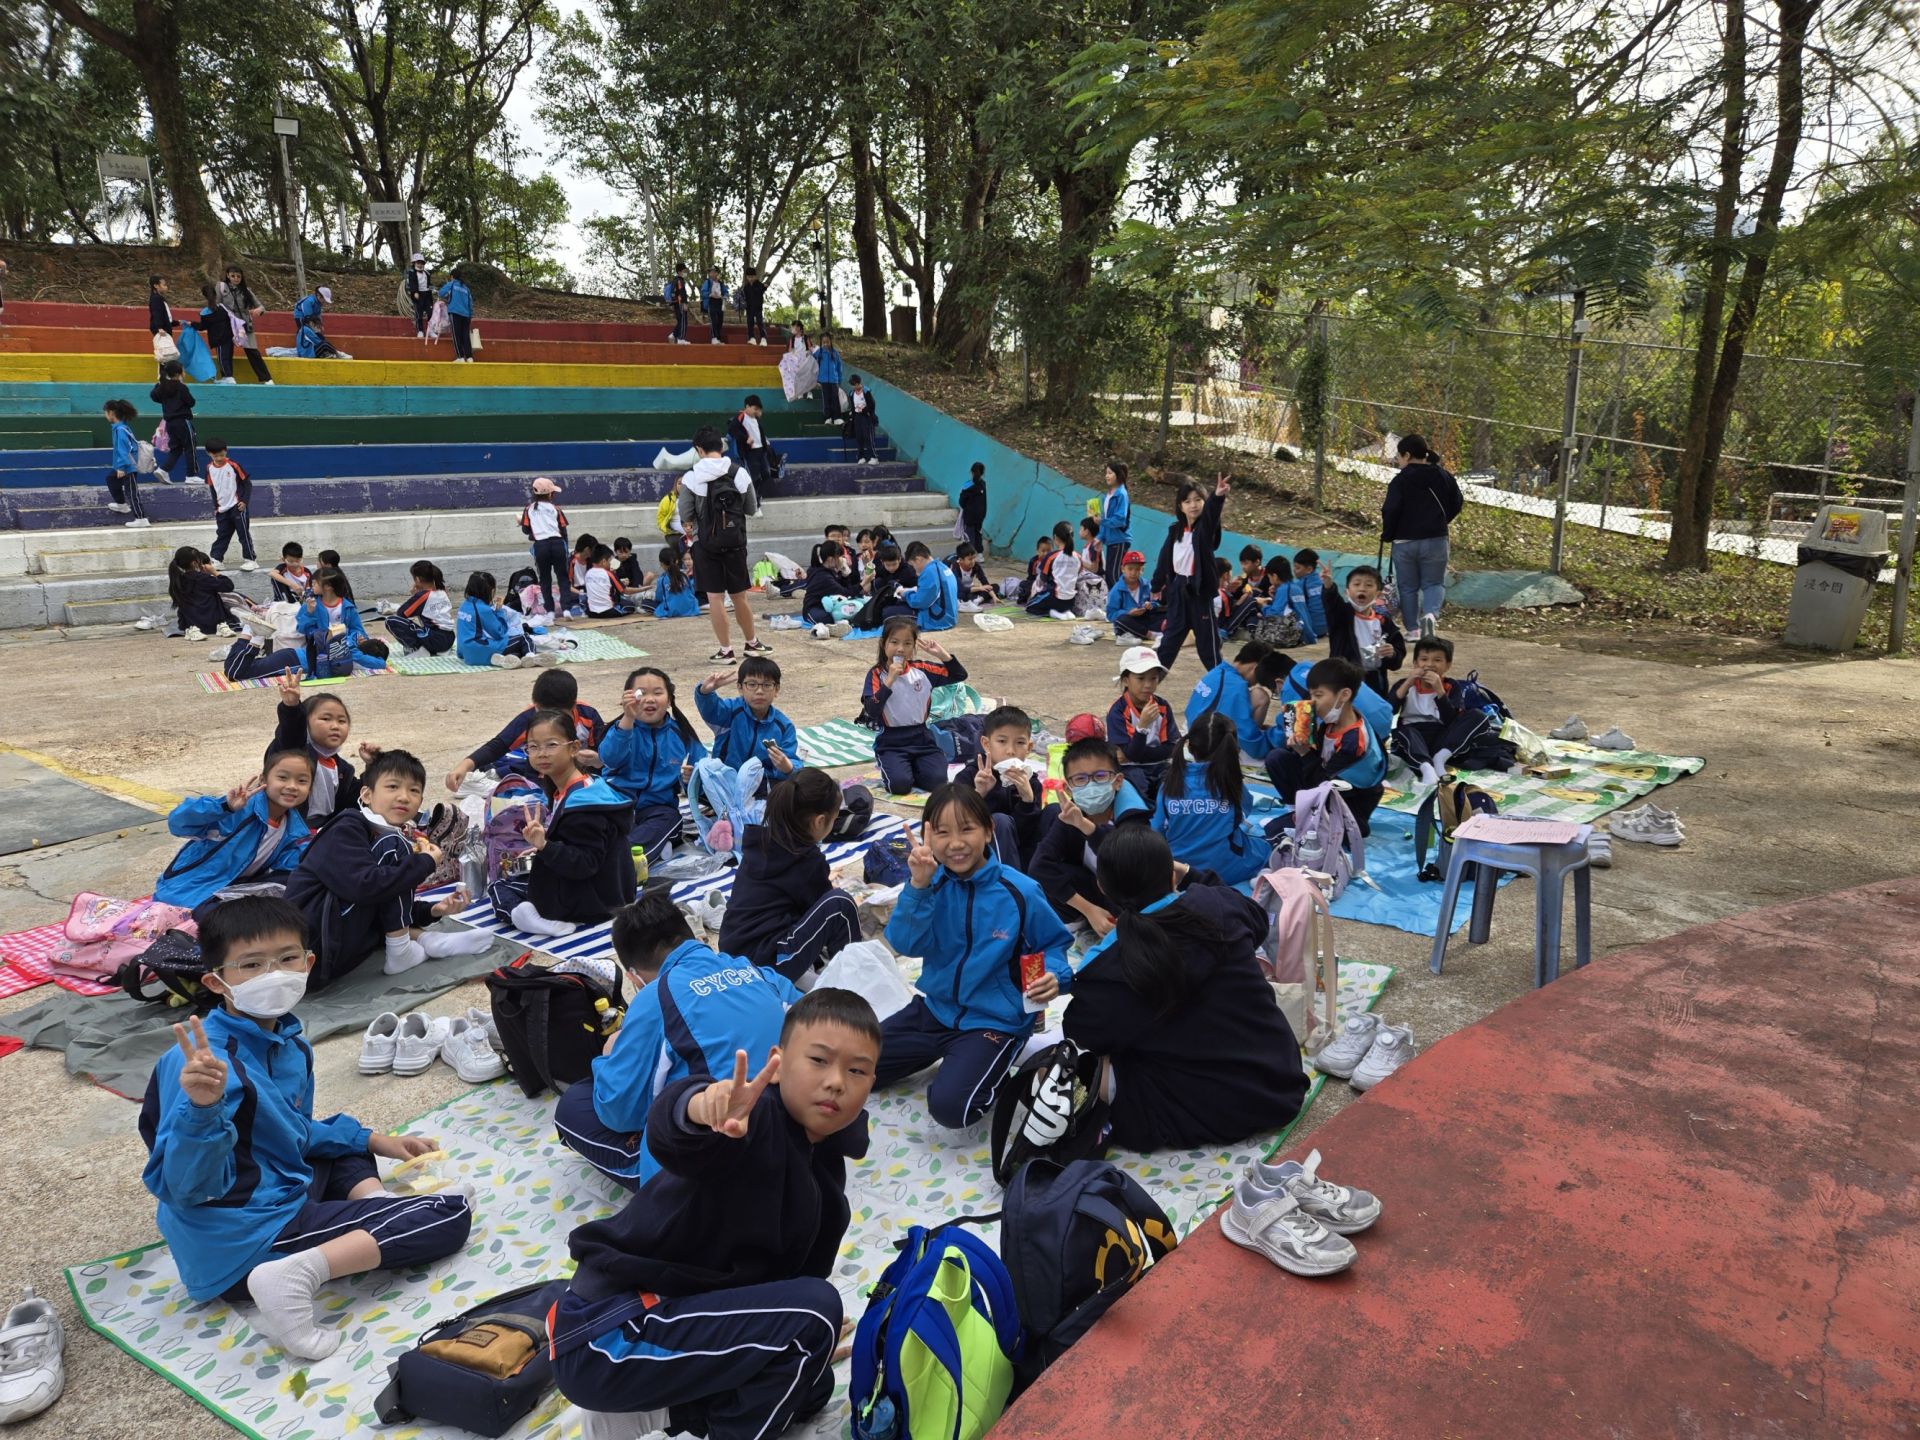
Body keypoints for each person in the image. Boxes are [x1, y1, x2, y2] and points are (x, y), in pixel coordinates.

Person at [139, 897, 471, 1361]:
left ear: (308, 963)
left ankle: (377, 1212)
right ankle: (296, 1274)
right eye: (251, 965)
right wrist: (201, 1109)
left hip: (273, 1193)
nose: (273, 974)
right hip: (241, 1244)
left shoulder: (288, 1043)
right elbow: (184, 1187)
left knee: (345, 1140)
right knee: (449, 1215)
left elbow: (293, 1131)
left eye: (287, 958)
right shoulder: (202, 1065)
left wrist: (380, 1142)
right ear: (216, 981)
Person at [548, 991, 880, 1440]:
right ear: (778, 1063)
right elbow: (674, 1133)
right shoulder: (750, 1122)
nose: (837, 1081)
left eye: (856, 1070)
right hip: (608, 1333)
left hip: (676, 1320)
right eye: (819, 1060)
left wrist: (794, 1331)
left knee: (810, 1383)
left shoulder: (825, 1173)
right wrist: (701, 1106)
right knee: (814, 1317)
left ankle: (648, 1415)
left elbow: (790, 1285)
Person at [1064, 826, 1308, 1150]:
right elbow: (1257, 920)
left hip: (1213, 1109)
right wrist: (1192, 874)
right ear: (1172, 875)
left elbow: (1083, 1033)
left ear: (1102, 887)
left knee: (1079, 1065)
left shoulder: (1107, 965)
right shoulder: (1217, 905)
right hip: (1280, 1082)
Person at [556, 892, 802, 1188]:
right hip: (791, 1127)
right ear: (690, 934)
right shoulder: (753, 970)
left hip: (715, 1163)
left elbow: (619, 1112)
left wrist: (608, 1056)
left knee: (575, 1104)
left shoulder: (656, 997)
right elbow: (812, 1016)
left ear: (634, 975)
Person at [879, 785, 1072, 1128]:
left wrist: (1055, 974)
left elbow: (1053, 944)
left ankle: (1010, 1051)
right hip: (935, 1011)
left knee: (953, 1108)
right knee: (855, 1065)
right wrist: (917, 887)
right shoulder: (930, 885)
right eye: (942, 832)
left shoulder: (1020, 891)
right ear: (928, 836)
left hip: (993, 1021)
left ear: (988, 830)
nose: (955, 843)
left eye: (967, 829)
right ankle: (959, 1058)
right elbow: (905, 944)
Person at [286, 750, 487, 987]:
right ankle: (401, 950)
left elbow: (380, 897)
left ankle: (428, 939)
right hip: (313, 953)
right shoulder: (346, 828)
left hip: (336, 944)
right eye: (392, 787)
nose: (404, 797)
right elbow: (366, 887)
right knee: (395, 846)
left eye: (414, 791)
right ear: (367, 795)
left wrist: (433, 910)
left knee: (396, 854)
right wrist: (425, 862)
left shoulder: (378, 833)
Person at [487, 709, 636, 938]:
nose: (542, 754)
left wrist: (544, 846)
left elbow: (585, 863)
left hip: (592, 904)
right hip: (614, 892)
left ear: (574, 748)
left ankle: (528, 917)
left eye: (551, 745)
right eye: (533, 747)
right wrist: (543, 846)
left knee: (499, 886)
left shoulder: (582, 806)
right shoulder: (587, 784)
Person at [719, 769, 862, 983]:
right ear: (819, 821)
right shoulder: (807, 860)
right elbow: (823, 908)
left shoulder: (760, 844)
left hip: (733, 956)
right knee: (842, 905)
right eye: (834, 819)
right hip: (767, 965)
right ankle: (856, 980)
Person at [152, 754, 314, 911]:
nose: (292, 786)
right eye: (283, 777)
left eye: (302, 781)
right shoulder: (238, 809)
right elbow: (178, 823)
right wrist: (224, 807)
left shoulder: (294, 830)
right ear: (263, 780)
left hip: (234, 889)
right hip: (194, 888)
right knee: (235, 922)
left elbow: (290, 866)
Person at [1027, 735, 1151, 931]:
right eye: (1080, 779)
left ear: (1117, 781)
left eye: (1100, 776)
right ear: (1068, 789)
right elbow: (1038, 866)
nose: (1091, 786)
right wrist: (1089, 910)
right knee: (1054, 873)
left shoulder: (1132, 815)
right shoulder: (1071, 812)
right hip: (1094, 888)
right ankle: (1083, 918)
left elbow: (1127, 861)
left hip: (1128, 890)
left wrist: (1086, 827)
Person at [678, 426, 770, 662]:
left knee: (715, 598)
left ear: (699, 449)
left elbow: (686, 514)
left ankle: (726, 650)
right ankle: (752, 643)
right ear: (721, 447)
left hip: (705, 545)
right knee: (740, 597)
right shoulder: (739, 472)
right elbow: (751, 508)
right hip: (735, 543)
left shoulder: (691, 477)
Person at [1264, 656, 1386, 834]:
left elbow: (1326, 784)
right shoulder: (1330, 724)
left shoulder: (1353, 742)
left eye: (1319, 695)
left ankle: (1333, 823)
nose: (1312, 702)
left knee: (1274, 830)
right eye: (1311, 695)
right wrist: (1302, 739)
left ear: (1344, 695)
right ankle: (1299, 812)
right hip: (1324, 787)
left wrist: (1305, 753)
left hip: (1348, 800)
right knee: (1277, 758)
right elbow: (1318, 765)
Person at [600, 666, 706, 865]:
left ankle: (621, 862)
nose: (650, 699)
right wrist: (628, 718)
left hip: (657, 810)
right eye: (641, 693)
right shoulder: (622, 729)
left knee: (671, 820)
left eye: (657, 693)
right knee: (588, 822)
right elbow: (609, 758)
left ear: (669, 699)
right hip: (615, 805)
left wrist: (691, 780)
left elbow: (704, 777)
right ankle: (638, 850)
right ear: (628, 698)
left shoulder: (682, 735)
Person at [445, 668, 606, 791]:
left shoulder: (588, 716)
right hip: (543, 778)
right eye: (544, 715)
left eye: (552, 744)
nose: (550, 722)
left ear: (573, 706)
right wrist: (464, 766)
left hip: (582, 773)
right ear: (535, 706)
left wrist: (598, 759)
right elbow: (499, 745)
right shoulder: (529, 719)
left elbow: (609, 753)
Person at [1152, 711, 1264, 885]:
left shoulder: (1169, 784)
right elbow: (1245, 810)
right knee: (1265, 847)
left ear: (1190, 747)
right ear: (1231, 747)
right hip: (1226, 871)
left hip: (1180, 872)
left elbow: (1157, 830)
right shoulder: (1231, 783)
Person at [859, 618, 967, 794]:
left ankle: (913, 766)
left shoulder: (922, 670)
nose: (900, 649)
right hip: (891, 742)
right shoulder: (876, 674)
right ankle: (898, 767)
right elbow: (871, 710)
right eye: (894, 642)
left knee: (938, 782)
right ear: (883, 644)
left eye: (907, 643)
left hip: (922, 738)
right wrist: (889, 681)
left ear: (914, 647)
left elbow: (959, 675)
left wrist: (942, 654)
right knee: (900, 786)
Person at [1386, 635, 1502, 787]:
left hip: (1441, 737)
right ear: (1415, 663)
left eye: (1437, 660)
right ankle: (1427, 769)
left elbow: (1451, 720)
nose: (1430, 665)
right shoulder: (1404, 685)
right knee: (1404, 731)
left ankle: (1439, 760)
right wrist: (1408, 683)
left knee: (1477, 716)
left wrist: (1440, 691)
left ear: (1448, 665)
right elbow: (1388, 711)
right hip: (1413, 737)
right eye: (1424, 659)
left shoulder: (1451, 686)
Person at [1381, 434, 1464, 634]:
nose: (1398, 461)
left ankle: (1413, 630)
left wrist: (1388, 534)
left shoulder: (1400, 480)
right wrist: (1441, 521)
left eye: (1399, 456)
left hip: (1404, 541)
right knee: (1433, 583)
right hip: (1436, 539)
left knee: (1408, 587)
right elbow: (1457, 501)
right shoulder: (1443, 476)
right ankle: (1430, 616)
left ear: (1407, 455)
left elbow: (1390, 509)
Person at [266, 673, 375, 820]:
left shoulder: (341, 769)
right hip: (289, 826)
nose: (335, 726)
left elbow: (360, 798)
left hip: (323, 828)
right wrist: (291, 707)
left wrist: (372, 765)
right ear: (305, 723)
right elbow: (291, 731)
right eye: (326, 718)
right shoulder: (293, 753)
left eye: (342, 721)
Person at [1153, 472, 1231, 672]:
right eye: (1187, 501)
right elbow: (1164, 559)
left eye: (1198, 500)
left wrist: (1217, 496)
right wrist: (1156, 585)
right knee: (1168, 644)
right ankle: (1150, 683)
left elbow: (1211, 516)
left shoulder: (1204, 531)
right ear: (1180, 506)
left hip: (1199, 592)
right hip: (1178, 590)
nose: (1193, 505)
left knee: (1208, 648)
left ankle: (1223, 683)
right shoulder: (1175, 531)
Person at [696, 656, 798, 787]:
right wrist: (705, 692)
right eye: (751, 685)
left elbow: (793, 761)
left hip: (763, 785)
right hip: (724, 782)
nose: (759, 691)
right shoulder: (730, 711)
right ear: (740, 688)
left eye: (767, 685)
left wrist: (787, 767)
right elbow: (710, 710)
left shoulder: (784, 726)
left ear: (776, 689)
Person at [1106, 645, 1182, 801]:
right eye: (1140, 678)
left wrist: (1138, 754)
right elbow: (1130, 756)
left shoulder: (1162, 706)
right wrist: (1142, 727)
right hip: (1130, 768)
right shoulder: (1117, 711)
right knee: (1136, 788)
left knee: (1177, 785)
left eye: (1153, 678)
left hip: (1160, 766)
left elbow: (1172, 748)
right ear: (1126, 680)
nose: (1148, 685)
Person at [1183, 639, 1280, 761]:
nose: (1258, 682)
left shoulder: (1217, 671)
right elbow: (1251, 742)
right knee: (1260, 696)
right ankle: (1245, 749)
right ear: (1256, 668)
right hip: (1211, 746)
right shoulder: (1237, 687)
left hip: (1195, 737)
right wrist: (1271, 740)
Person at [1319, 561, 1405, 697]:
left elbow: (1396, 660)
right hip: (1345, 680)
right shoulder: (1341, 615)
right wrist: (1328, 585)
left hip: (1375, 682)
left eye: (1369, 585)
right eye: (1356, 584)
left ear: (1378, 594)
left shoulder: (1384, 622)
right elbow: (1331, 602)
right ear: (1347, 592)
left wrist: (1392, 654)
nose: (1362, 589)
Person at [297, 567, 388, 678]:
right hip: (320, 649)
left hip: (344, 646)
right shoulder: (311, 605)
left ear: (328, 586)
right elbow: (301, 628)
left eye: (315, 583)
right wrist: (309, 613)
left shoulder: (347, 607)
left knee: (353, 654)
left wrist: (359, 637)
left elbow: (357, 629)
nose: (312, 586)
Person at [202, 439, 256, 571]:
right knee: (222, 534)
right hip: (222, 509)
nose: (219, 458)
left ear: (226, 451)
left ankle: (250, 560)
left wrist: (244, 501)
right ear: (209, 454)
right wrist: (216, 507)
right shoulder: (209, 468)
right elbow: (212, 488)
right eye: (215, 456)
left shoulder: (233, 465)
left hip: (237, 506)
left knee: (243, 534)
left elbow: (247, 483)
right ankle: (217, 560)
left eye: (222, 455)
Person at [214, 266, 273, 384]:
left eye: (238, 276)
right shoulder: (221, 287)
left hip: (244, 324)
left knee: (252, 351)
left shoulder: (246, 290)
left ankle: (266, 379)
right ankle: (228, 377)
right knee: (226, 350)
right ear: (228, 275)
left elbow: (261, 307)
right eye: (233, 276)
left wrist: (258, 310)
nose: (236, 278)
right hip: (227, 323)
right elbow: (216, 304)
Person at [383, 560, 455, 654]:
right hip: (450, 638)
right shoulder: (442, 591)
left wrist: (414, 595)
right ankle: (437, 649)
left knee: (390, 621)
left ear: (417, 580)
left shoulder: (423, 596)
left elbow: (401, 613)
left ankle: (417, 648)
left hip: (435, 639)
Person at [168, 546, 235, 640]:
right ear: (194, 563)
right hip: (212, 625)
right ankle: (221, 626)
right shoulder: (204, 578)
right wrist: (214, 572)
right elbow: (228, 586)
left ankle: (191, 629)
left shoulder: (178, 580)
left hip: (191, 623)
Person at [102, 398, 149, 528]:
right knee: (111, 479)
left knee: (131, 492)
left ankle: (141, 518)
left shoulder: (121, 430)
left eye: (105, 412)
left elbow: (123, 449)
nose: (105, 415)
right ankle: (121, 504)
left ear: (111, 413)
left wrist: (122, 467)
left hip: (128, 467)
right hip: (122, 465)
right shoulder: (121, 428)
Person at [151, 359, 199, 482]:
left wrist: (159, 384)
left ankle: (163, 469)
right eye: (183, 371)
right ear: (178, 373)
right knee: (190, 447)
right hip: (183, 421)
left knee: (176, 448)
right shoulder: (181, 387)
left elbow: (154, 396)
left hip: (170, 423)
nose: (184, 372)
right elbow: (191, 402)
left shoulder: (163, 387)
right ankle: (191, 475)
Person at [901, 539, 958, 631]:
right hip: (949, 617)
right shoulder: (942, 566)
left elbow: (920, 602)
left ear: (918, 559)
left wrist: (905, 594)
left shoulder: (929, 572)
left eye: (912, 565)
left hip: (938, 619)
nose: (914, 569)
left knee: (890, 612)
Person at [801, 540, 859, 627]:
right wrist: (864, 582)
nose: (842, 560)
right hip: (814, 608)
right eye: (840, 557)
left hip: (831, 606)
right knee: (827, 619)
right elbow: (845, 592)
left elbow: (845, 591)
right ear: (831, 559)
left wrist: (845, 575)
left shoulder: (831, 570)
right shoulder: (823, 576)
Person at [196, 283, 243, 385]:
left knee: (222, 358)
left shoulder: (206, 312)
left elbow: (202, 326)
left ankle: (228, 377)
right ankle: (228, 376)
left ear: (204, 296)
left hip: (218, 339)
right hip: (229, 337)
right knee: (228, 357)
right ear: (215, 294)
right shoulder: (223, 308)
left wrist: (192, 324)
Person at [1106, 549, 1159, 640]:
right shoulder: (1117, 590)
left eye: (1137, 569)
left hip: (1145, 619)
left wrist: (1151, 605)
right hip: (1128, 622)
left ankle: (1145, 632)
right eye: (1130, 569)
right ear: (1123, 569)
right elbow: (1110, 614)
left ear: (1142, 570)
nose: (1133, 573)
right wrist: (1128, 612)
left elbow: (1155, 601)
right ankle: (1150, 635)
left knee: (1166, 614)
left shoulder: (1146, 585)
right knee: (1121, 621)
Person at [728, 394, 775, 494]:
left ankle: (758, 495)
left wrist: (765, 445)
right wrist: (745, 438)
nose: (756, 411)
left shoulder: (756, 418)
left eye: (758, 409)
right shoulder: (741, 417)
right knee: (754, 477)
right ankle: (752, 497)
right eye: (755, 409)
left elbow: (760, 433)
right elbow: (732, 430)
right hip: (750, 452)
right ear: (747, 406)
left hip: (761, 450)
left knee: (766, 473)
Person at [1221, 545, 1269, 637]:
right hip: (1251, 612)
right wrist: (1233, 589)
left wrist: (1253, 591)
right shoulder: (1244, 579)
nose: (1243, 567)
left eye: (1246, 563)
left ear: (1257, 562)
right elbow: (1237, 598)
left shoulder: (1269, 575)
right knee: (1251, 621)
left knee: (1253, 596)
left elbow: (1269, 597)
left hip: (1263, 609)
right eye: (1241, 564)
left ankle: (1227, 629)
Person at [1099, 460, 1132, 587]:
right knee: (1110, 576)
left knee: (1114, 576)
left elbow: (1120, 519)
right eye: (1106, 473)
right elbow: (1106, 519)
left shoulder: (1121, 494)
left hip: (1119, 539)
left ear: (1118, 475)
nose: (1106, 476)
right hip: (1111, 540)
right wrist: (1100, 537)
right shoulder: (1107, 496)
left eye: (1110, 473)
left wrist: (1101, 521)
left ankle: (1123, 598)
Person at [584, 544, 636, 618]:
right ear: (604, 561)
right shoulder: (608, 573)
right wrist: (643, 589)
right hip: (608, 611)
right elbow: (625, 591)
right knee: (630, 605)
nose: (610, 563)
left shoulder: (588, 573)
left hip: (591, 612)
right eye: (609, 560)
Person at [651, 547, 701, 618]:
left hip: (671, 611)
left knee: (651, 604)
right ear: (677, 561)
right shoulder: (684, 575)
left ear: (661, 564)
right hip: (691, 609)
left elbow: (659, 597)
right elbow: (692, 592)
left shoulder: (662, 579)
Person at [438, 268, 475, 362]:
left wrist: (447, 295)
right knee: (465, 336)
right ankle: (469, 357)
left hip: (455, 313)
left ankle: (460, 357)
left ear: (452, 276)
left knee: (456, 335)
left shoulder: (452, 284)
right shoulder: (466, 288)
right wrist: (470, 315)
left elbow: (441, 293)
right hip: (466, 315)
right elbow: (470, 303)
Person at [292, 286, 337, 358]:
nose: (325, 302)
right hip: (301, 317)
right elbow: (308, 317)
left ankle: (314, 348)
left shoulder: (319, 303)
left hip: (311, 320)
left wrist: (320, 325)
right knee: (306, 332)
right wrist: (316, 330)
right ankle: (304, 348)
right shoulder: (309, 301)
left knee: (315, 334)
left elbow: (318, 315)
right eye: (324, 300)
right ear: (319, 296)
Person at [846, 374, 879, 464]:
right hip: (857, 417)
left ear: (858, 383)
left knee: (868, 436)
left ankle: (874, 457)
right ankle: (861, 456)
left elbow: (872, 405)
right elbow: (852, 406)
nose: (853, 386)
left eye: (853, 384)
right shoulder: (851, 393)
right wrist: (852, 415)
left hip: (866, 417)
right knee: (859, 437)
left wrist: (864, 410)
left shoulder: (866, 391)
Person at [814, 330, 845, 423]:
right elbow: (811, 359)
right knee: (826, 399)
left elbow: (839, 368)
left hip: (834, 381)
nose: (825, 344)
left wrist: (839, 380)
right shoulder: (819, 352)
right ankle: (828, 418)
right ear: (821, 342)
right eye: (823, 342)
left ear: (831, 341)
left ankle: (837, 418)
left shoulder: (835, 353)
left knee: (835, 399)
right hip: (823, 381)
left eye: (827, 342)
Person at [952, 543, 995, 609]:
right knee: (961, 594)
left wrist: (994, 596)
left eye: (974, 558)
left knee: (995, 587)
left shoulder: (976, 566)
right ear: (961, 560)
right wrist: (980, 588)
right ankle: (975, 599)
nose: (973, 561)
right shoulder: (955, 567)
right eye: (970, 559)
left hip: (971, 590)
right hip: (961, 591)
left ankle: (978, 600)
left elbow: (985, 582)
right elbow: (961, 589)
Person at [403, 254, 435, 339]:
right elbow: (412, 283)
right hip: (418, 295)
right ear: (414, 263)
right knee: (419, 314)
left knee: (430, 313)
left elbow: (429, 284)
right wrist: (415, 292)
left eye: (422, 263)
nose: (420, 265)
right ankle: (420, 330)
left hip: (427, 295)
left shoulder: (427, 273)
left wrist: (433, 289)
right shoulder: (411, 273)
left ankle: (431, 330)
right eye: (418, 263)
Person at [959, 461, 988, 553]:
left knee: (969, 536)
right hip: (980, 516)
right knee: (978, 535)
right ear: (982, 473)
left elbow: (962, 501)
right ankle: (979, 554)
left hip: (969, 516)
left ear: (971, 472)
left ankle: (970, 555)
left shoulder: (967, 486)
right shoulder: (983, 484)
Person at [664, 263, 694, 344]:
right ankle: (681, 339)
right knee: (684, 321)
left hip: (676, 303)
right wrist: (685, 303)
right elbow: (682, 292)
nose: (686, 273)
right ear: (680, 272)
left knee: (680, 321)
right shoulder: (680, 280)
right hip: (681, 303)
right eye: (684, 271)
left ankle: (673, 335)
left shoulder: (675, 280)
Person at [738, 266, 768, 345]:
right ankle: (751, 338)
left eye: (752, 277)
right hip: (749, 308)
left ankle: (763, 338)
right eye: (749, 277)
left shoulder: (759, 284)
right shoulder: (746, 287)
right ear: (746, 277)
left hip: (758, 308)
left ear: (755, 276)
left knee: (760, 323)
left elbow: (764, 288)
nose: (750, 278)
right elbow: (743, 297)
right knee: (750, 323)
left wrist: (765, 286)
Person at [700, 266, 729, 344]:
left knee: (720, 320)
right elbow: (703, 293)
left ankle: (718, 338)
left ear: (717, 273)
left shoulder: (721, 283)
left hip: (719, 302)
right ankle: (714, 338)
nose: (712, 274)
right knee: (714, 320)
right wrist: (709, 294)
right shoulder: (707, 282)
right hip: (711, 302)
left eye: (714, 272)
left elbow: (726, 292)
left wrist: (725, 296)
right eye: (711, 272)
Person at [1078, 516, 1104, 582]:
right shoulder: (1087, 546)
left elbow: (1094, 569)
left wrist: (1079, 561)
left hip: (1096, 583)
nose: (1079, 531)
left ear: (1086, 531)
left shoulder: (1094, 546)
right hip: (1089, 581)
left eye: (1081, 529)